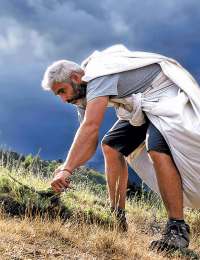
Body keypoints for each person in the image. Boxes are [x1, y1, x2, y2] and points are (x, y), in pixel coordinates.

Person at [41, 44, 200, 251]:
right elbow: (88, 140)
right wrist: (67, 169)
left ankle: (176, 229)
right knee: (111, 146)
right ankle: (117, 218)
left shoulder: (97, 76)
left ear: (76, 78)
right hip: (143, 105)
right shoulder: (82, 96)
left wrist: (66, 169)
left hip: (166, 98)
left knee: (157, 148)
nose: (63, 99)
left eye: (62, 91)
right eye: (58, 95)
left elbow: (90, 127)